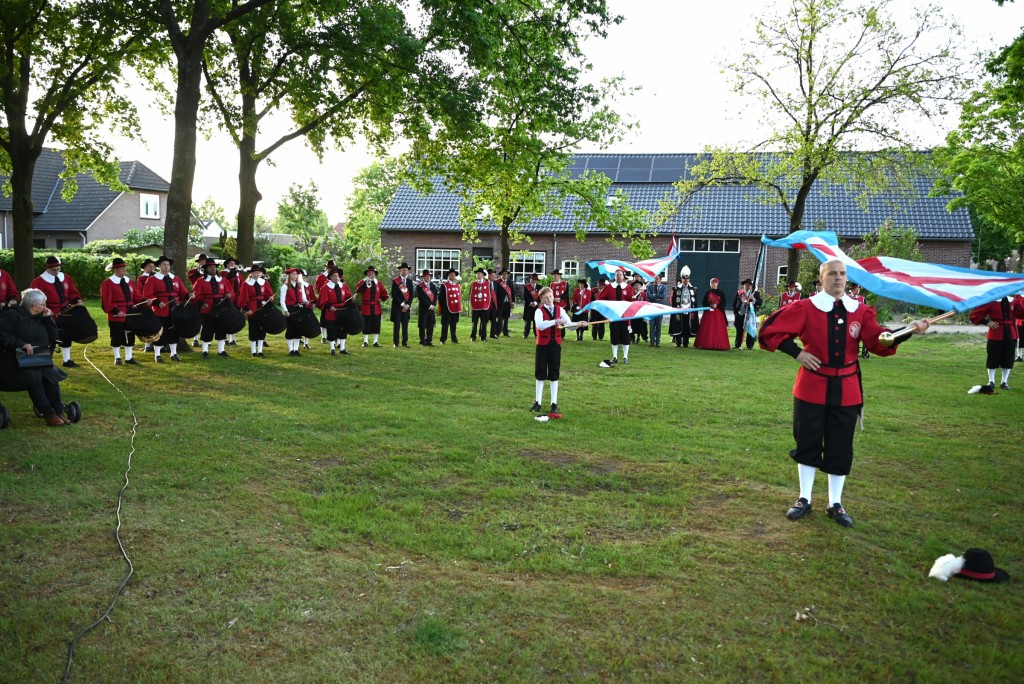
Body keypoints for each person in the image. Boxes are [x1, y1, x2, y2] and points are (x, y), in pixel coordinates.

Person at [759, 259, 929, 528]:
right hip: (811, 387)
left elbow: (878, 340)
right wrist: (797, 352)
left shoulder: (860, 311)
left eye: (842, 274)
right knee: (808, 442)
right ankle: (804, 498)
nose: (838, 279)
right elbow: (769, 331)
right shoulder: (805, 307)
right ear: (821, 278)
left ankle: (835, 503)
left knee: (840, 446)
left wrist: (908, 331)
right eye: (832, 274)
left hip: (847, 390)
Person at [0, 289, 72, 426]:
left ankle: (58, 410)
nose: (45, 307)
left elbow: (53, 336)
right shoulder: (13, 315)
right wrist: (21, 344)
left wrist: (48, 319)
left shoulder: (41, 316)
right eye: (43, 304)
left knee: (51, 375)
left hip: (38, 354)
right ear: (33, 305)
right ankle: (49, 413)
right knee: (34, 377)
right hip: (14, 357)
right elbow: (2, 334)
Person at [531, 286, 586, 414]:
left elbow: (569, 325)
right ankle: (537, 402)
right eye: (546, 298)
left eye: (550, 296)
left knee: (554, 373)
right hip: (542, 345)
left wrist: (579, 324)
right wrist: (555, 321)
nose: (549, 299)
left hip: (555, 345)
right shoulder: (539, 311)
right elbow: (540, 325)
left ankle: (553, 403)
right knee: (540, 373)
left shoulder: (560, 309)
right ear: (542, 300)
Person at [30, 255, 83, 368]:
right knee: (49, 337)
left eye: (58, 269)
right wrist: (44, 309)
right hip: (49, 313)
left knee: (66, 335)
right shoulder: (38, 281)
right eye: (54, 270)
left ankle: (67, 360)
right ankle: (45, 361)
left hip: (66, 311)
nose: (56, 272)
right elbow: (35, 298)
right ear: (47, 268)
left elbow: (72, 292)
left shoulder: (66, 277)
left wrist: (77, 300)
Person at [969, 295, 1024, 391]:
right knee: (993, 357)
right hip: (995, 333)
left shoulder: (1014, 301)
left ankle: (1004, 382)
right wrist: (986, 322)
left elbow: (1022, 314)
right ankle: (991, 381)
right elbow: (975, 314)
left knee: (1008, 358)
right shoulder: (991, 301)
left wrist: (1018, 303)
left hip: (1011, 333)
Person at [142, 255, 189, 363]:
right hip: (160, 310)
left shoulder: (176, 279)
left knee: (174, 332)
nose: (166, 267)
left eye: (168, 265)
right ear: (159, 266)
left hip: (175, 310)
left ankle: (174, 354)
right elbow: (147, 294)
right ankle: (157, 355)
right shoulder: (152, 279)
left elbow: (183, 293)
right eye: (164, 265)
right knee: (160, 333)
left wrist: (188, 295)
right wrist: (158, 302)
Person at [100, 257, 144, 365]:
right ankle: (117, 357)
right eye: (122, 268)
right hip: (116, 314)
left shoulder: (130, 282)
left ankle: (129, 357)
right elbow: (106, 301)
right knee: (116, 335)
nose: (124, 270)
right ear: (115, 270)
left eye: (124, 268)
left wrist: (144, 301)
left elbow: (137, 296)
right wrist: (116, 311)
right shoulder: (108, 283)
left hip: (130, 313)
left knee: (129, 335)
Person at [192, 258, 234, 358]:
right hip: (207, 309)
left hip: (220, 309)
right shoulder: (200, 281)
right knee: (207, 329)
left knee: (221, 329)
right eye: (210, 267)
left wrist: (228, 295)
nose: (213, 269)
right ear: (206, 269)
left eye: (214, 267)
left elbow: (230, 292)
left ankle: (221, 350)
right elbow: (196, 295)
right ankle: (205, 351)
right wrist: (202, 303)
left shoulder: (223, 280)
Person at [597, 270, 635, 364]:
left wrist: (633, 298)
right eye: (617, 275)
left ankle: (625, 357)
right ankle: (614, 357)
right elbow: (600, 299)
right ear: (615, 276)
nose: (618, 276)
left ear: (623, 276)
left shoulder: (628, 287)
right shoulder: (609, 287)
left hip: (625, 316)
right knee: (614, 336)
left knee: (625, 337)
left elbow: (631, 300)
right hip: (613, 316)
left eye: (620, 275)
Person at [237, 264, 274, 357]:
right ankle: (253, 351)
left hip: (263, 309)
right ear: (252, 273)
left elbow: (268, 294)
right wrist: (247, 309)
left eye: (259, 272)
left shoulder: (264, 282)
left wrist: (270, 298)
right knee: (253, 329)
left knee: (262, 329)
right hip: (252, 309)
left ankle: (260, 351)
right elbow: (243, 298)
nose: (257, 274)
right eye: (256, 273)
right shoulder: (246, 284)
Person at [318, 267, 354, 355]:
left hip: (342, 310)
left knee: (342, 329)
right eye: (334, 276)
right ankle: (332, 348)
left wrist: (351, 298)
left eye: (337, 276)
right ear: (330, 277)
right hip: (331, 312)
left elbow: (347, 297)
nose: (336, 278)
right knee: (332, 329)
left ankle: (342, 348)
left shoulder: (343, 285)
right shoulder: (325, 287)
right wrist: (329, 306)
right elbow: (322, 301)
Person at [280, 267, 312, 357]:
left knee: (298, 330)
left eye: (296, 274)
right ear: (289, 275)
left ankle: (296, 350)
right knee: (290, 329)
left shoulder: (300, 285)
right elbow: (282, 301)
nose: (295, 276)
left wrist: (306, 302)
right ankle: (291, 350)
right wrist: (285, 310)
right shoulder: (285, 286)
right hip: (290, 310)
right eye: (293, 274)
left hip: (299, 309)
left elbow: (303, 298)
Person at [356, 265, 388, 348]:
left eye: (373, 273)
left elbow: (384, 293)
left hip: (376, 306)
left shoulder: (379, 283)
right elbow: (358, 290)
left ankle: (375, 341)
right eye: (369, 273)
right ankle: (365, 341)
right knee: (366, 323)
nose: (371, 274)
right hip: (366, 306)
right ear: (367, 274)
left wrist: (381, 298)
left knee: (376, 324)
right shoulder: (362, 282)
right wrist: (365, 283)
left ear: (375, 274)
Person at [694, 277, 729, 351]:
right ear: (710, 284)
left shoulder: (721, 293)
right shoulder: (707, 292)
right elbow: (704, 302)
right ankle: (705, 344)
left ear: (717, 284)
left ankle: (719, 344)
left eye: (714, 283)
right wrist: (710, 305)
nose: (713, 284)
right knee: (707, 328)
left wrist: (717, 305)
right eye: (712, 283)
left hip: (718, 314)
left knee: (718, 328)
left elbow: (724, 303)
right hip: (709, 313)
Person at [669, 270, 697, 348]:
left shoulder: (692, 289)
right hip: (679, 310)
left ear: (689, 279)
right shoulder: (677, 289)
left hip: (689, 310)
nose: (685, 280)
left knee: (687, 327)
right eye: (684, 279)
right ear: (681, 279)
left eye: (687, 279)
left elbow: (694, 301)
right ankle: (678, 342)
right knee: (678, 325)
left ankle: (686, 342)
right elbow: (674, 302)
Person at [219, 257, 243, 347]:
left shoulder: (238, 274)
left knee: (235, 317)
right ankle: (225, 338)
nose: (233, 265)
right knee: (227, 317)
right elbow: (225, 282)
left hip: (237, 298)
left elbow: (242, 285)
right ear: (227, 265)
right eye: (231, 263)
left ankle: (232, 338)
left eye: (234, 263)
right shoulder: (223, 273)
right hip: (228, 297)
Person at [732, 278, 763, 350]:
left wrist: (754, 299)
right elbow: (734, 304)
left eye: (748, 285)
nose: (747, 286)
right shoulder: (739, 293)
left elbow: (760, 303)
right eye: (745, 284)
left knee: (750, 330)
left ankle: (750, 345)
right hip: (740, 314)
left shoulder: (755, 293)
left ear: (751, 286)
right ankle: (737, 344)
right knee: (739, 330)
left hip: (750, 315)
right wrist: (736, 313)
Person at [390, 262, 414, 348]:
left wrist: (407, 305)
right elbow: (394, 294)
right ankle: (396, 343)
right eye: (403, 270)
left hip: (406, 307)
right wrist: (402, 304)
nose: (404, 271)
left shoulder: (410, 282)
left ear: (408, 271)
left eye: (406, 270)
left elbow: (411, 295)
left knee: (405, 325)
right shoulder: (396, 281)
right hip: (397, 306)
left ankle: (405, 342)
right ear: (400, 271)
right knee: (396, 325)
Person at [315, 259, 336, 344]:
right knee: (324, 319)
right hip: (325, 300)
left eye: (332, 268)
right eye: (329, 268)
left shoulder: (337, 276)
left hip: (335, 301)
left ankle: (334, 336)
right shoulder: (321, 277)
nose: (330, 269)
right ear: (327, 268)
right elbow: (317, 288)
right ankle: (323, 336)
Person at [415, 270, 439, 346]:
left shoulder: (433, 285)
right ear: (423, 277)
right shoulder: (419, 286)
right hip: (423, 308)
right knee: (422, 325)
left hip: (431, 309)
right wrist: (429, 305)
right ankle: (422, 341)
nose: (428, 278)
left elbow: (435, 296)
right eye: (426, 276)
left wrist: (433, 304)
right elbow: (421, 298)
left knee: (430, 324)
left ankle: (429, 340)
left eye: (429, 276)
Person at [439, 268, 462, 344]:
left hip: (455, 308)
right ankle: (443, 339)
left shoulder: (457, 285)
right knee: (445, 325)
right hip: (447, 308)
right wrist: (443, 308)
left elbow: (459, 298)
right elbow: (441, 298)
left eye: (454, 275)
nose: (453, 276)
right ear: (448, 275)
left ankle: (454, 338)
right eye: (451, 274)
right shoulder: (444, 285)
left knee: (454, 324)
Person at [470, 268, 492, 341]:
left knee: (484, 322)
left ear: (483, 275)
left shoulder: (488, 284)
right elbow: (471, 295)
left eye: (480, 273)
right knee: (474, 322)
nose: (478, 275)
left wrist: (487, 305)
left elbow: (490, 295)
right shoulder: (473, 284)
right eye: (477, 273)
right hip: (475, 307)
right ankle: (473, 336)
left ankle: (483, 337)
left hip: (484, 306)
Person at [646, 274, 668, 347]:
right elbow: (648, 295)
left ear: (660, 279)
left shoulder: (664, 287)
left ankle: (657, 341)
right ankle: (652, 341)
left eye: (657, 278)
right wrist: (656, 298)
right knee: (652, 325)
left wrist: (654, 296)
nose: (655, 280)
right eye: (655, 278)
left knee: (658, 325)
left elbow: (663, 296)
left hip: (659, 309)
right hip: (651, 308)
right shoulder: (650, 286)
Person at [848, 283, 868, 358]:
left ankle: (864, 351)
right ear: (852, 290)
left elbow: (866, 309)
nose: (857, 291)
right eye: (856, 289)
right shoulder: (847, 298)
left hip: (860, 320)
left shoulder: (862, 299)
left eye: (858, 289)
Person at [492, 269, 513, 337]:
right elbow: (495, 292)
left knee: (506, 317)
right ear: (501, 274)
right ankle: (497, 332)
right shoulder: (497, 282)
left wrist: (513, 302)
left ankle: (505, 332)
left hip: (507, 302)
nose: (505, 275)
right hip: (500, 302)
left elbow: (512, 292)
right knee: (499, 317)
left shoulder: (510, 282)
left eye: (506, 274)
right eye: (503, 274)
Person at [630, 274, 649, 344]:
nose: (637, 286)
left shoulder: (643, 294)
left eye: (638, 285)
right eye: (635, 285)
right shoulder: (632, 293)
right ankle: (632, 337)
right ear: (633, 287)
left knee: (640, 325)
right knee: (632, 325)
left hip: (640, 312)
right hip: (633, 312)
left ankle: (639, 337)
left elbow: (646, 302)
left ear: (641, 287)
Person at [522, 273, 541, 338]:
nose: (533, 280)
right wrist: (531, 303)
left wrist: (535, 303)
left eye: (535, 279)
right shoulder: (526, 286)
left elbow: (540, 297)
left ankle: (536, 334)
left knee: (536, 321)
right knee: (528, 321)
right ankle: (525, 334)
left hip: (536, 307)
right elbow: (525, 297)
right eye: (532, 279)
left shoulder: (539, 287)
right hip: (528, 306)